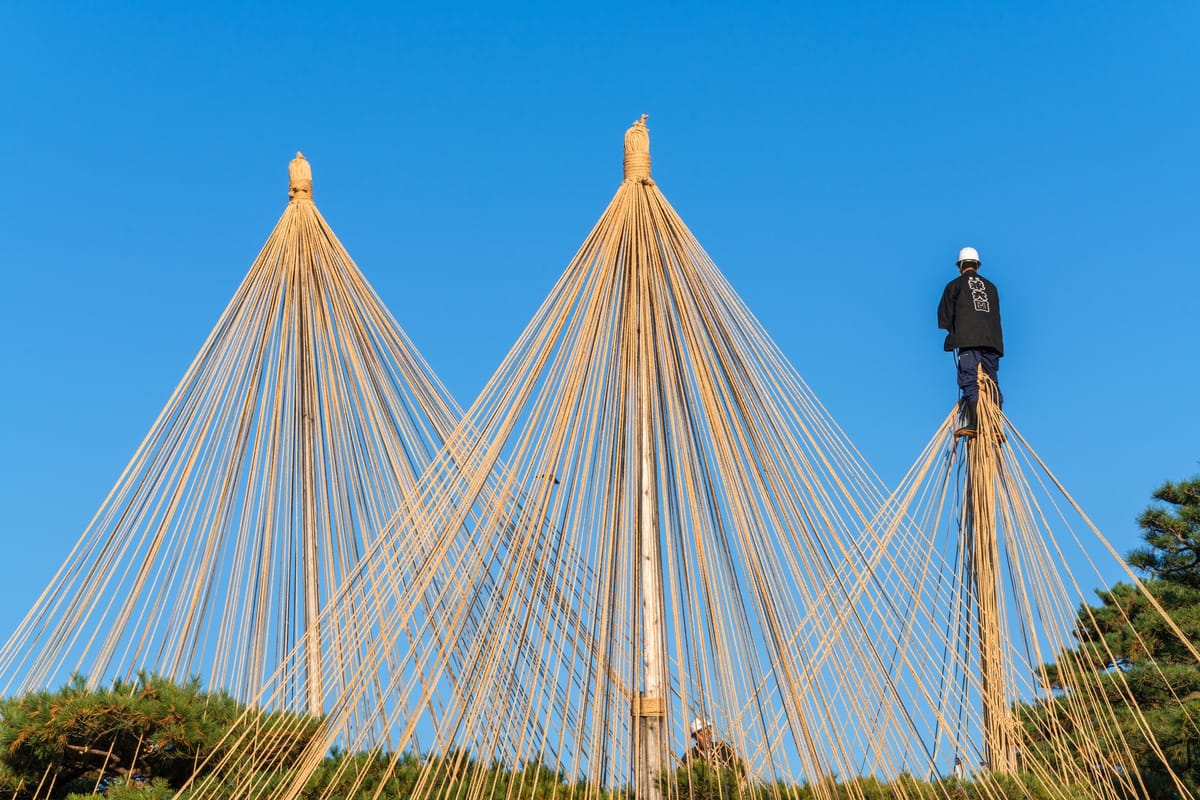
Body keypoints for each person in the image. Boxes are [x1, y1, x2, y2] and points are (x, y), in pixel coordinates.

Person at [937, 246, 1004, 435]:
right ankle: (996, 425)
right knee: (991, 381)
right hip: (992, 341)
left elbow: (944, 317)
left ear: (960, 266)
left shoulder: (954, 285)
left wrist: (952, 334)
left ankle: (975, 424)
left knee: (969, 379)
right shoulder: (991, 287)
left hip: (969, 340)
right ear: (977, 265)